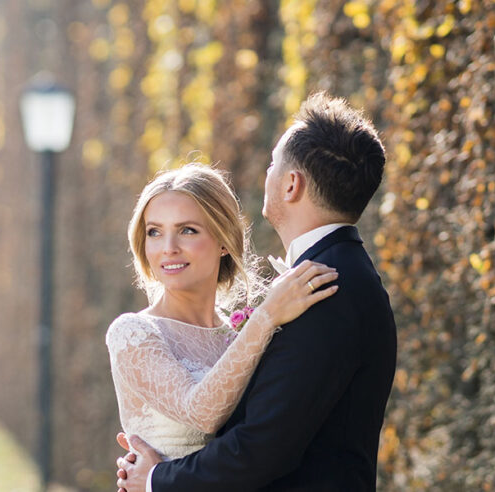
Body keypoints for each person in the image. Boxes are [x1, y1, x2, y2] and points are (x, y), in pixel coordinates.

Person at [116, 92, 397, 491]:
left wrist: (157, 479)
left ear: (291, 184)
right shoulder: (335, 278)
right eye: (155, 232)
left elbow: (261, 447)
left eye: (271, 164)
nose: (168, 247)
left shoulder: (324, 288)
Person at [106, 163, 339, 460]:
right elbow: (201, 413)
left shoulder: (239, 334)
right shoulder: (133, 333)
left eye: (187, 230)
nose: (168, 248)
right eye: (154, 232)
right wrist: (266, 317)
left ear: (224, 241)